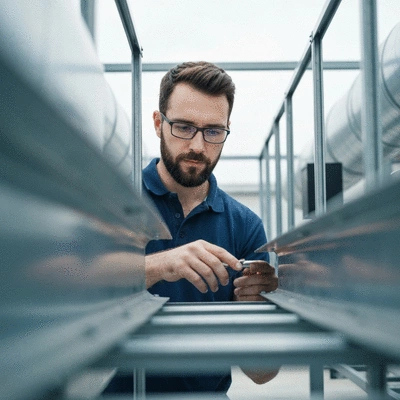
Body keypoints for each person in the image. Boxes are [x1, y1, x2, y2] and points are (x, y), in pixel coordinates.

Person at [105, 61, 278, 396]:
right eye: (183, 127)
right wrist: (158, 266)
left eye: (213, 131)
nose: (198, 146)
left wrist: (255, 308)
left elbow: (262, 373)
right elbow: (63, 291)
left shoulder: (245, 226)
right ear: (158, 123)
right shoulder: (113, 203)